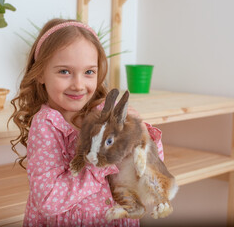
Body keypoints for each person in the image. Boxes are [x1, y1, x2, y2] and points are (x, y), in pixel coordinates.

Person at [10, 18, 164, 227]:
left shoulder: (103, 113)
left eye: (89, 72)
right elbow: (48, 200)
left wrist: (139, 135)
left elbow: (147, 175)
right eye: (64, 71)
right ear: (40, 74)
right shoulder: (47, 125)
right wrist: (102, 163)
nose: (79, 84)